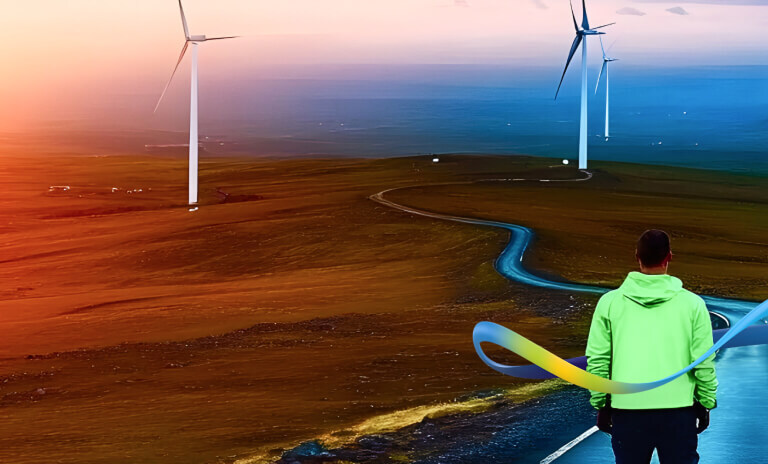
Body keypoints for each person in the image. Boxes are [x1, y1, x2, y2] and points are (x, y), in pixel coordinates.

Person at [585, 229, 718, 464]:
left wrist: (601, 403)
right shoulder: (693, 305)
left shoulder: (609, 303)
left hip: (627, 411)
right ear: (669, 257)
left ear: (637, 256)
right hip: (679, 412)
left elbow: (598, 359)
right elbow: (703, 359)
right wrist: (706, 402)